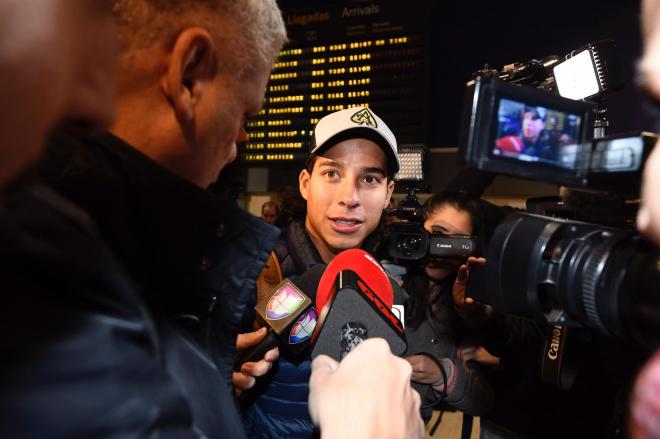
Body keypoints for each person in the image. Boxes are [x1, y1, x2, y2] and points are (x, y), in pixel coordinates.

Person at [243, 106, 403, 437]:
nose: (349, 197)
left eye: (370, 179)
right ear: (305, 183)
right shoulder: (249, 271)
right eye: (332, 174)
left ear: (388, 193)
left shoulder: (399, 282)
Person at [401, 191, 494, 422]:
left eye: (457, 243)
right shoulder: (389, 276)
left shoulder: (469, 305)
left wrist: (444, 373)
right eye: (438, 234)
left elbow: (484, 399)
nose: (442, 251)